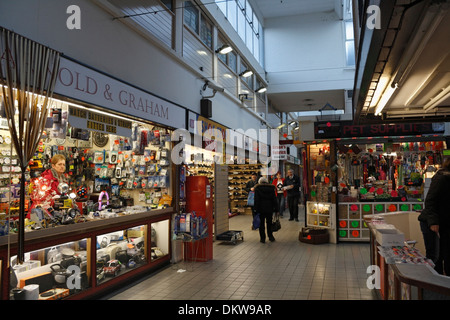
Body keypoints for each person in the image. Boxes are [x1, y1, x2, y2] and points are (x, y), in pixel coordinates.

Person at [418, 158, 450, 276]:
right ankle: (434, 286)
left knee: (445, 254)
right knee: (435, 257)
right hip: (432, 222)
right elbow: (430, 201)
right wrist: (433, 222)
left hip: (444, 222)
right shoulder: (442, 177)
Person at [254, 177, 278, 243]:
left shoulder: (257, 189)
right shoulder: (271, 188)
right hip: (269, 208)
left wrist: (255, 209)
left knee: (261, 224)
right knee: (269, 223)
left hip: (260, 209)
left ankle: (262, 238)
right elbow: (274, 199)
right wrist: (276, 209)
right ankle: (270, 237)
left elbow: (256, 200)